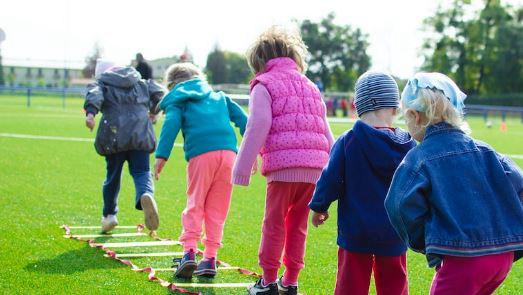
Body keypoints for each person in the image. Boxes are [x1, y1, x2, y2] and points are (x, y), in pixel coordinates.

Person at [385, 72, 523, 295]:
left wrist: (425, 240)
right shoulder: (486, 151)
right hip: (502, 256)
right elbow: (519, 184)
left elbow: (398, 205)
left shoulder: (419, 158)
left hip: (464, 259)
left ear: (415, 116)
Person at [232, 26, 334, 295]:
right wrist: (333, 171)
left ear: (259, 61)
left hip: (283, 167)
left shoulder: (263, 84)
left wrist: (242, 167)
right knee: (298, 226)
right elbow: (325, 129)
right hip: (314, 169)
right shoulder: (311, 86)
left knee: (274, 224)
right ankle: (290, 281)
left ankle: (267, 282)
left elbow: (258, 124)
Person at [309, 72, 416, 295]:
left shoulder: (349, 140)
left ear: (358, 106)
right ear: (395, 109)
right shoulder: (409, 145)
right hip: (394, 231)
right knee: (394, 283)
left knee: (351, 283)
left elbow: (330, 178)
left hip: (356, 230)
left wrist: (320, 206)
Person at [154, 62, 247, 278]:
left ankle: (189, 253)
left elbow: (171, 124)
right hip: (229, 155)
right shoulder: (220, 97)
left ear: (172, 85)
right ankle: (209, 259)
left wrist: (161, 156)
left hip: (201, 154)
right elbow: (245, 121)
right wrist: (253, 151)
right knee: (217, 208)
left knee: (195, 203)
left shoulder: (179, 100)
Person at [84, 59, 164, 233]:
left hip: (114, 136)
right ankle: (145, 194)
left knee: (113, 176)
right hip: (141, 134)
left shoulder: (103, 84)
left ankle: (109, 215)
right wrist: (153, 111)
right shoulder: (140, 82)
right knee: (142, 172)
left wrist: (90, 114)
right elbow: (159, 93)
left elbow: (95, 94)